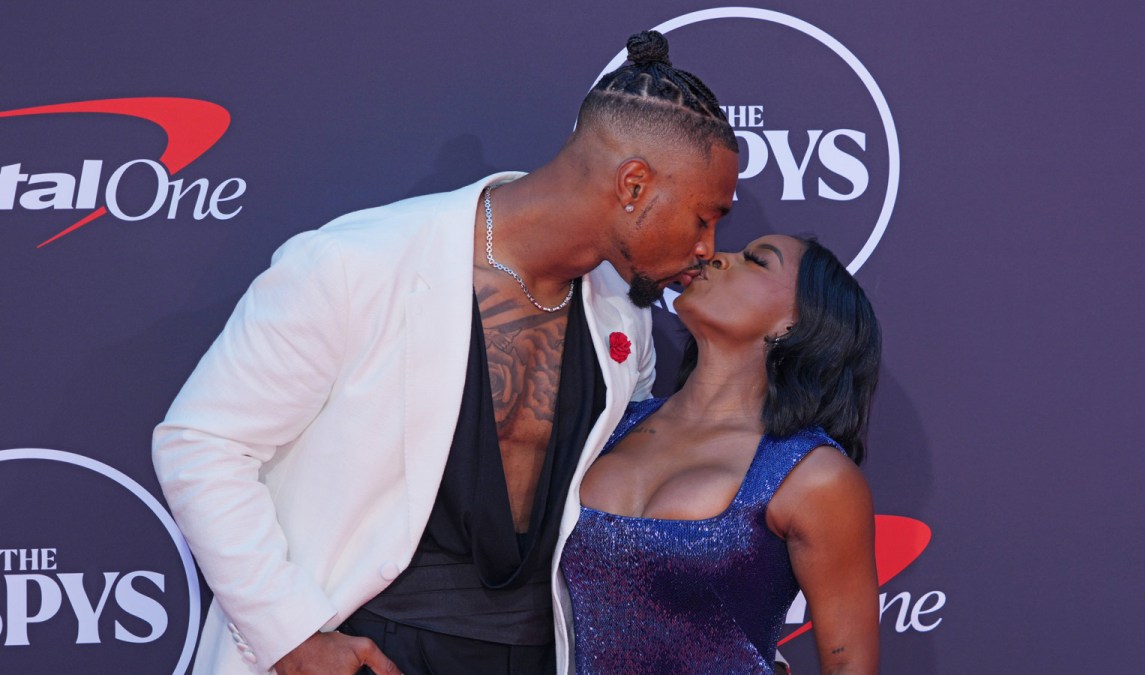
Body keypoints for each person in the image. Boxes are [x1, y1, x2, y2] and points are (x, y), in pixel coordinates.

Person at [151, 31, 737, 675]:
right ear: (633, 184)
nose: (708, 248)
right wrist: (291, 636)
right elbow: (201, 444)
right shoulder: (354, 265)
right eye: (704, 217)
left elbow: (625, 509)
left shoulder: (624, 314)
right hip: (370, 642)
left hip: (538, 653)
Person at [560, 234, 882, 674]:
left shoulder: (813, 475)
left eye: (757, 261)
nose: (717, 258)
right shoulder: (608, 426)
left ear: (794, 325)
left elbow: (850, 667)